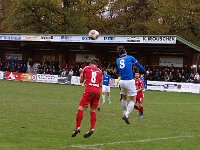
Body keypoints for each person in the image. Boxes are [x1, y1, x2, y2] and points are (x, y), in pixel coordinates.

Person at [72, 58, 102, 138]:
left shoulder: (86, 68)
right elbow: (100, 84)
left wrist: (80, 72)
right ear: (97, 64)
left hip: (89, 90)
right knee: (93, 110)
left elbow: (81, 81)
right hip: (97, 91)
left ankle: (77, 127)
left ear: (90, 63)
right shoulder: (100, 71)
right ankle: (92, 128)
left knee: (81, 108)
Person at [116, 46, 147, 124]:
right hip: (129, 81)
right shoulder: (130, 57)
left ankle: (124, 112)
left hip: (121, 81)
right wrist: (145, 72)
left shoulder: (118, 60)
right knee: (133, 99)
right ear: (125, 52)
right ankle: (126, 115)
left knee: (124, 98)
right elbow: (139, 66)